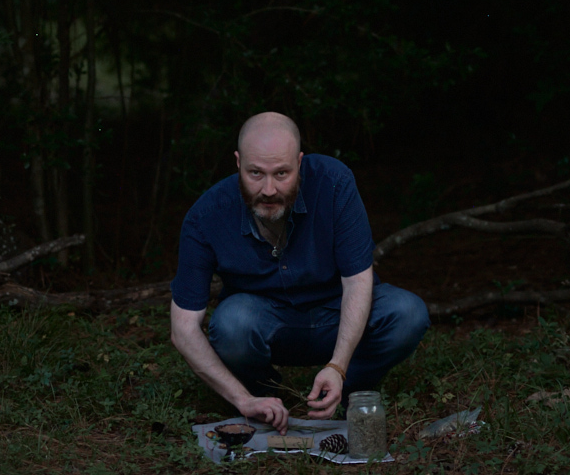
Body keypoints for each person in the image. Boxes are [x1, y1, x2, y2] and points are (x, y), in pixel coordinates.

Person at [167, 111, 430, 430]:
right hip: (264, 324)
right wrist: (241, 399)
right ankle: (262, 396)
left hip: (338, 313)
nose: (268, 189)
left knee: (407, 312)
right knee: (231, 323)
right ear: (237, 163)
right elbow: (183, 329)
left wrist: (338, 366)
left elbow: (359, 282)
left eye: (281, 173)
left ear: (300, 163)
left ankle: (350, 392)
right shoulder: (205, 216)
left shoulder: (334, 183)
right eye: (255, 173)